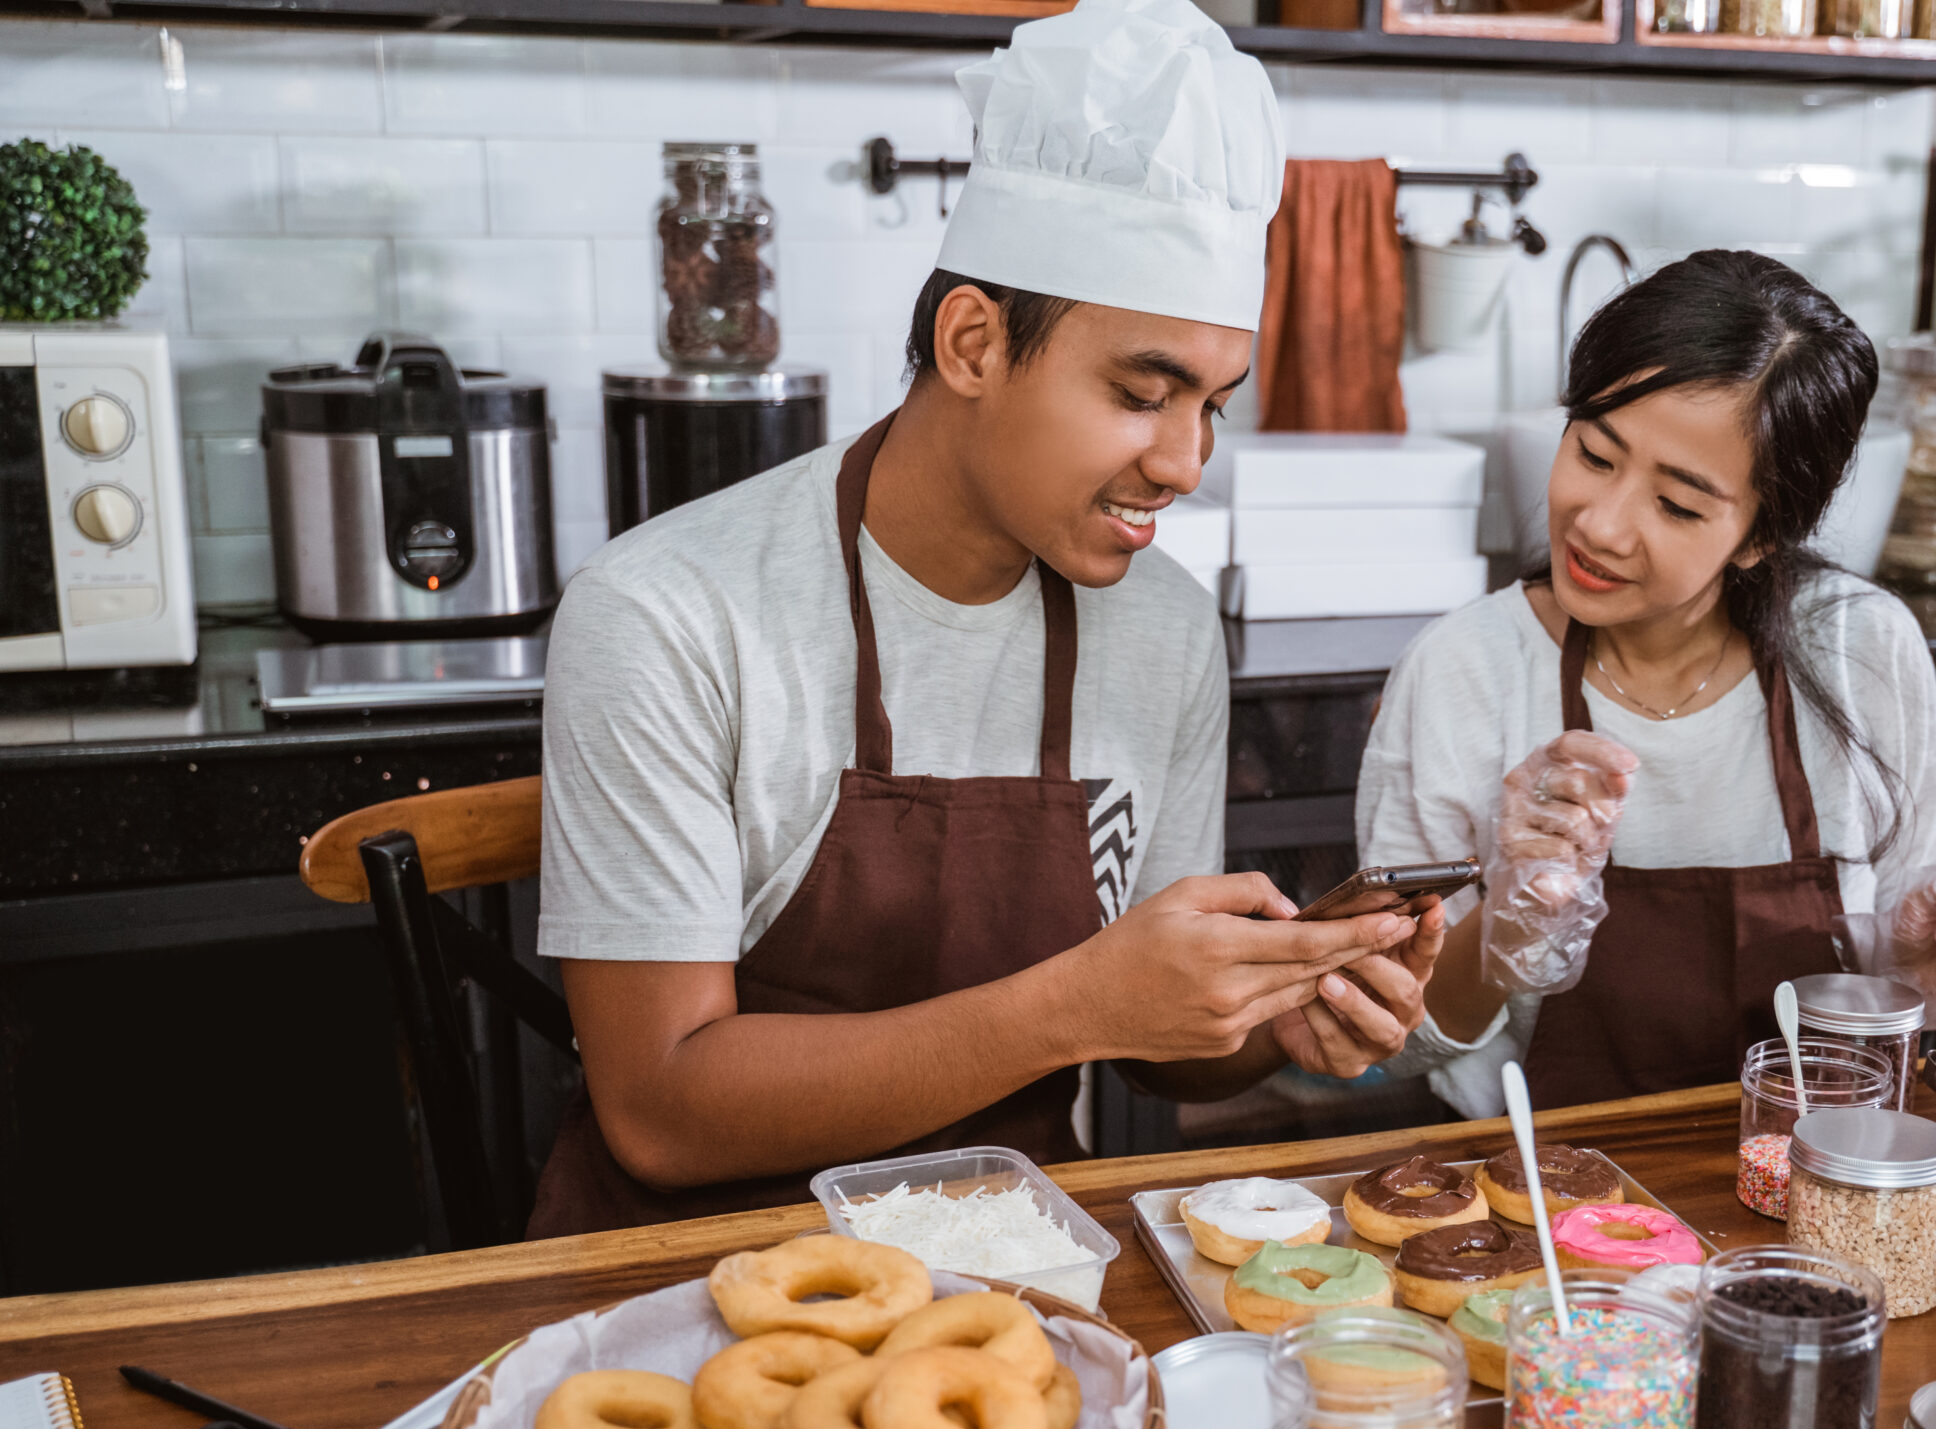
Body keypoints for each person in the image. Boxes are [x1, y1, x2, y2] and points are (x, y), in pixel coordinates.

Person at [527, 0, 1445, 1234]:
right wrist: (1071, 1006)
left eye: (1213, 404)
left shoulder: (1161, 629)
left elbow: (1154, 1048)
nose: (1185, 461)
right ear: (972, 343)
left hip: (1023, 1276)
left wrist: (1279, 1010)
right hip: (690, 1283)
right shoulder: (669, 613)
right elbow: (662, 1108)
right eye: (1140, 392)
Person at [1356, 250, 1936, 1119]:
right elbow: (1394, 1038)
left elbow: (1916, 989)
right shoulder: (1464, 668)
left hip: (1814, 1183)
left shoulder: (1861, 647)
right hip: (1540, 1196)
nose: (1601, 524)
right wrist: (1506, 925)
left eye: (1678, 506)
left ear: (1763, 533)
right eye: (1595, 452)